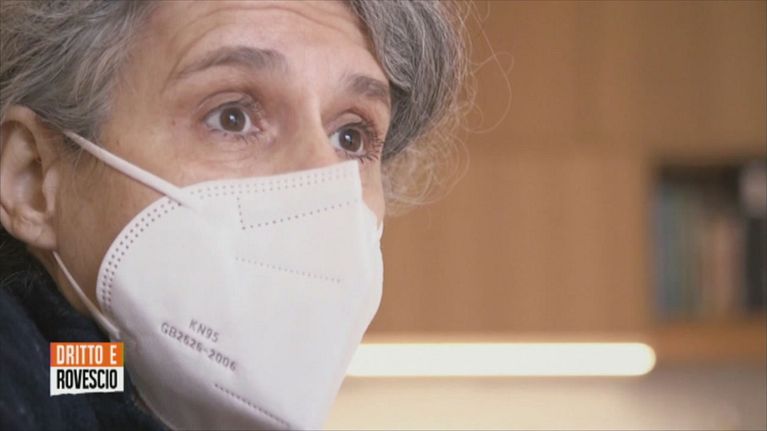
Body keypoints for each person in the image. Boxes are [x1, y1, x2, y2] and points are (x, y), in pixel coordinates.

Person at [0, 0, 466, 429]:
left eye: (351, 138)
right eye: (232, 117)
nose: (325, 182)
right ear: (33, 179)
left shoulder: (85, 374)